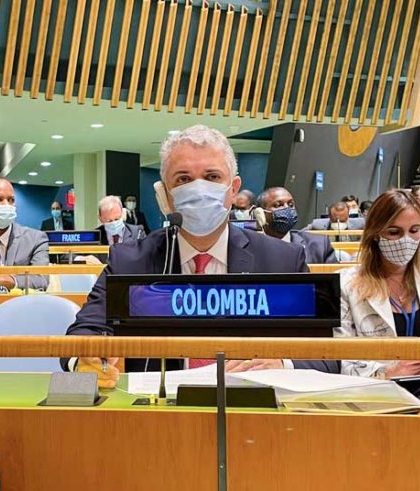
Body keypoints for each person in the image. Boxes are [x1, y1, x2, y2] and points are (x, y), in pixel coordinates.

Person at [64, 125, 337, 386]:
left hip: (252, 408)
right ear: (165, 195)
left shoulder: (283, 261)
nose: (198, 189)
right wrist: (87, 358)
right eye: (183, 179)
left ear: (233, 188)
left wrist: (282, 364)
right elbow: (83, 333)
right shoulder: (130, 261)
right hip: (161, 410)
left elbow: (327, 356)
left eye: (212, 177)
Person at [336, 189, 420, 410]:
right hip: (374, 392)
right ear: (375, 233)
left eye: (414, 230)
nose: (406, 240)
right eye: (394, 232)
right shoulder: (345, 285)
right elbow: (339, 359)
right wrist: (388, 373)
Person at [256, 187, 338, 264]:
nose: (287, 209)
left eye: (291, 205)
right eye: (278, 205)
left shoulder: (320, 245)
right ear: (261, 213)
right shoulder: (251, 245)